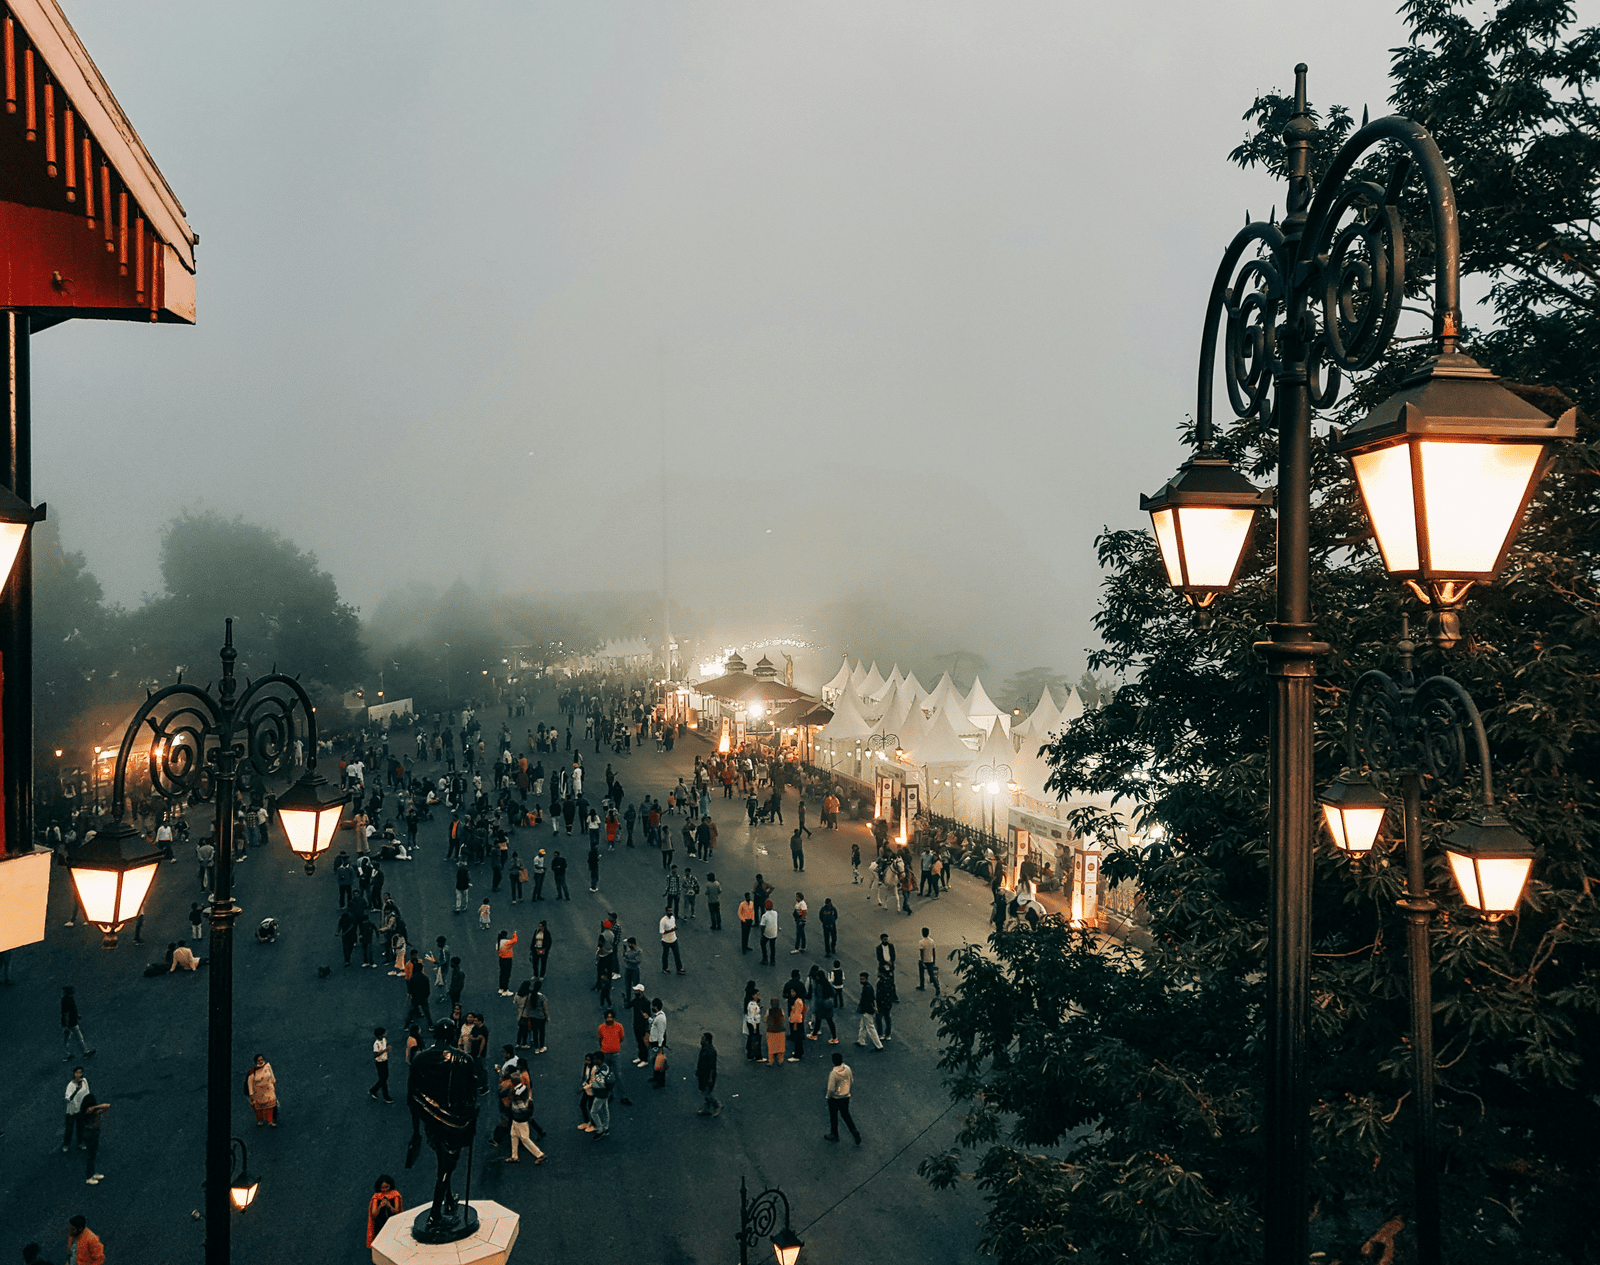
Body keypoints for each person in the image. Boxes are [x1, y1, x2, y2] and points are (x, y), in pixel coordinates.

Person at [824, 1051, 862, 1144]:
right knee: (845, 1114)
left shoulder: (833, 1073)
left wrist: (828, 1097)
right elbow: (851, 1079)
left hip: (835, 1098)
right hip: (845, 1096)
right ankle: (854, 1131)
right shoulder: (847, 1068)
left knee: (833, 1116)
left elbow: (831, 1088)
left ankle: (834, 1134)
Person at [80, 1092, 109, 1184]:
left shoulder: (93, 1110)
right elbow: (105, 1105)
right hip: (89, 1133)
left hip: (94, 1132)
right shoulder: (87, 1112)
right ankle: (89, 1177)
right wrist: (94, 1108)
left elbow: (106, 1106)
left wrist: (95, 1107)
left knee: (93, 1155)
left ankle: (92, 1173)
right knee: (90, 1155)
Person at [366, 1175, 403, 1247]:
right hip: (380, 1224)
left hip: (393, 1223)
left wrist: (389, 1206)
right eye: (382, 1188)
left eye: (387, 1187)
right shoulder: (376, 1197)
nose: (385, 1190)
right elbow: (373, 1214)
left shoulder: (395, 1194)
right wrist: (380, 1206)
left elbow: (397, 1211)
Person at [62, 1067, 92, 1152]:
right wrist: (76, 1090)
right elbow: (68, 1099)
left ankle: (80, 1143)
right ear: (74, 1073)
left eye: (80, 1072)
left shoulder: (84, 1081)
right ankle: (66, 1145)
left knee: (81, 1127)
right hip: (72, 1111)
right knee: (69, 1129)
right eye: (76, 1073)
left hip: (81, 1109)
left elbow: (87, 1093)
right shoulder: (70, 1085)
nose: (78, 1074)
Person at [61, 987, 93, 1061]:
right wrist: (67, 1025)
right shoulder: (66, 1000)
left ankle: (67, 1054)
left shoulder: (68, 998)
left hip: (71, 1022)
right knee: (77, 1037)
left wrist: (77, 1015)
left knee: (67, 1039)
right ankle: (85, 1052)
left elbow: (71, 1010)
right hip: (71, 1023)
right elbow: (66, 1013)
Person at [247, 1052, 279, 1125]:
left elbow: (272, 1075)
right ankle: (260, 1120)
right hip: (258, 1093)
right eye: (259, 1060)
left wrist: (273, 1083)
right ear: (256, 1062)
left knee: (270, 1107)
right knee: (258, 1108)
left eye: (261, 1059)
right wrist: (251, 1094)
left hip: (268, 1090)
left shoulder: (267, 1066)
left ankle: (270, 1121)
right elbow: (250, 1083)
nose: (261, 1061)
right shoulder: (253, 1071)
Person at [855, 974, 883, 1050]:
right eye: (861, 979)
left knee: (870, 1027)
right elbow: (873, 999)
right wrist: (875, 1007)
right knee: (863, 1026)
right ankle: (861, 1040)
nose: (861, 981)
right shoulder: (869, 987)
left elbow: (866, 1001)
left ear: (866, 979)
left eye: (862, 979)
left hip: (866, 1010)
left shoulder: (866, 989)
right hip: (868, 1010)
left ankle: (878, 1045)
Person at [695, 1031, 721, 1116]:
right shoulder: (705, 1048)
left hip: (707, 1075)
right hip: (702, 1074)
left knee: (706, 1092)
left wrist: (710, 1077)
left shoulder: (710, 1051)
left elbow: (712, 1066)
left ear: (707, 1040)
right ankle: (706, 1109)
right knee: (704, 1090)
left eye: (703, 1039)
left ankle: (717, 1106)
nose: (701, 1040)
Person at [876, 966, 898, 1041]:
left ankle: (880, 1033)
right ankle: (888, 1034)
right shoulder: (890, 981)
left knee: (879, 1018)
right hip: (888, 1003)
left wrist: (876, 1004)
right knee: (887, 1018)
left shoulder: (880, 983)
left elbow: (878, 995)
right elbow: (892, 992)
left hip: (881, 1003)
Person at [917, 928, 941, 995]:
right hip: (930, 960)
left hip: (923, 961)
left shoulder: (921, 942)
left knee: (921, 974)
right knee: (931, 974)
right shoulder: (931, 941)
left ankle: (922, 985)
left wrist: (922, 962)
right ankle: (937, 987)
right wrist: (934, 960)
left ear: (922, 933)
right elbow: (933, 951)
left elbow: (921, 953)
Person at [659, 907, 683, 975]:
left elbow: (674, 926)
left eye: (671, 911)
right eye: (669, 911)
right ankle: (665, 968)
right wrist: (671, 930)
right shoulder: (663, 920)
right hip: (666, 941)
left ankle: (679, 968)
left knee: (677, 954)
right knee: (665, 955)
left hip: (674, 939)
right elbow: (662, 931)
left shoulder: (673, 918)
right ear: (666, 911)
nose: (670, 912)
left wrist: (674, 929)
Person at [764, 997, 787, 1066]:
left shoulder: (769, 1011)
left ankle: (771, 1061)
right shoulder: (781, 1011)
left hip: (771, 1031)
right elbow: (783, 1018)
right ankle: (780, 1060)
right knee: (780, 1047)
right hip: (780, 1031)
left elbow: (765, 1019)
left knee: (771, 1047)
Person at [496, 929, 519, 995]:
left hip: (501, 959)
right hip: (507, 959)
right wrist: (515, 934)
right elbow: (514, 941)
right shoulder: (506, 942)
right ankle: (505, 989)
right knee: (507, 974)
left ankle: (501, 988)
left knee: (502, 974)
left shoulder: (499, 942)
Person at [759, 900, 779, 965]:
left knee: (763, 944)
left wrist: (762, 934)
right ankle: (772, 960)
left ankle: (765, 958)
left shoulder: (764, 916)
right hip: (774, 933)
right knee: (772, 946)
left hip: (767, 933)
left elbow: (762, 926)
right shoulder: (775, 913)